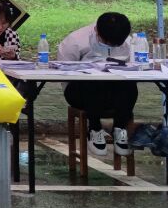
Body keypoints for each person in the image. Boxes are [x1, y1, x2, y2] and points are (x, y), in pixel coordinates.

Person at [59, 12, 138, 162]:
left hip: (113, 93)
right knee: (94, 82)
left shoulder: (127, 41)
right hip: (81, 92)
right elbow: (63, 71)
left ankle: (120, 129)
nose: (111, 46)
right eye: (107, 42)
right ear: (96, 31)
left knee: (129, 84)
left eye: (115, 45)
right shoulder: (75, 41)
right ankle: (94, 129)